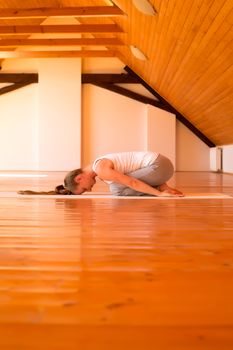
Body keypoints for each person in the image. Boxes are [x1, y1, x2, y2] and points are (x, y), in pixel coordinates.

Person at [55, 151, 184, 197]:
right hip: (161, 165)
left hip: (159, 166)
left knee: (116, 189)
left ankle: (160, 187)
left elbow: (131, 182)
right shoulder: (98, 166)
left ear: (79, 178)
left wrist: (159, 194)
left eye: (84, 189)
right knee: (115, 186)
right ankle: (161, 185)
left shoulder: (101, 169)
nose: (88, 190)